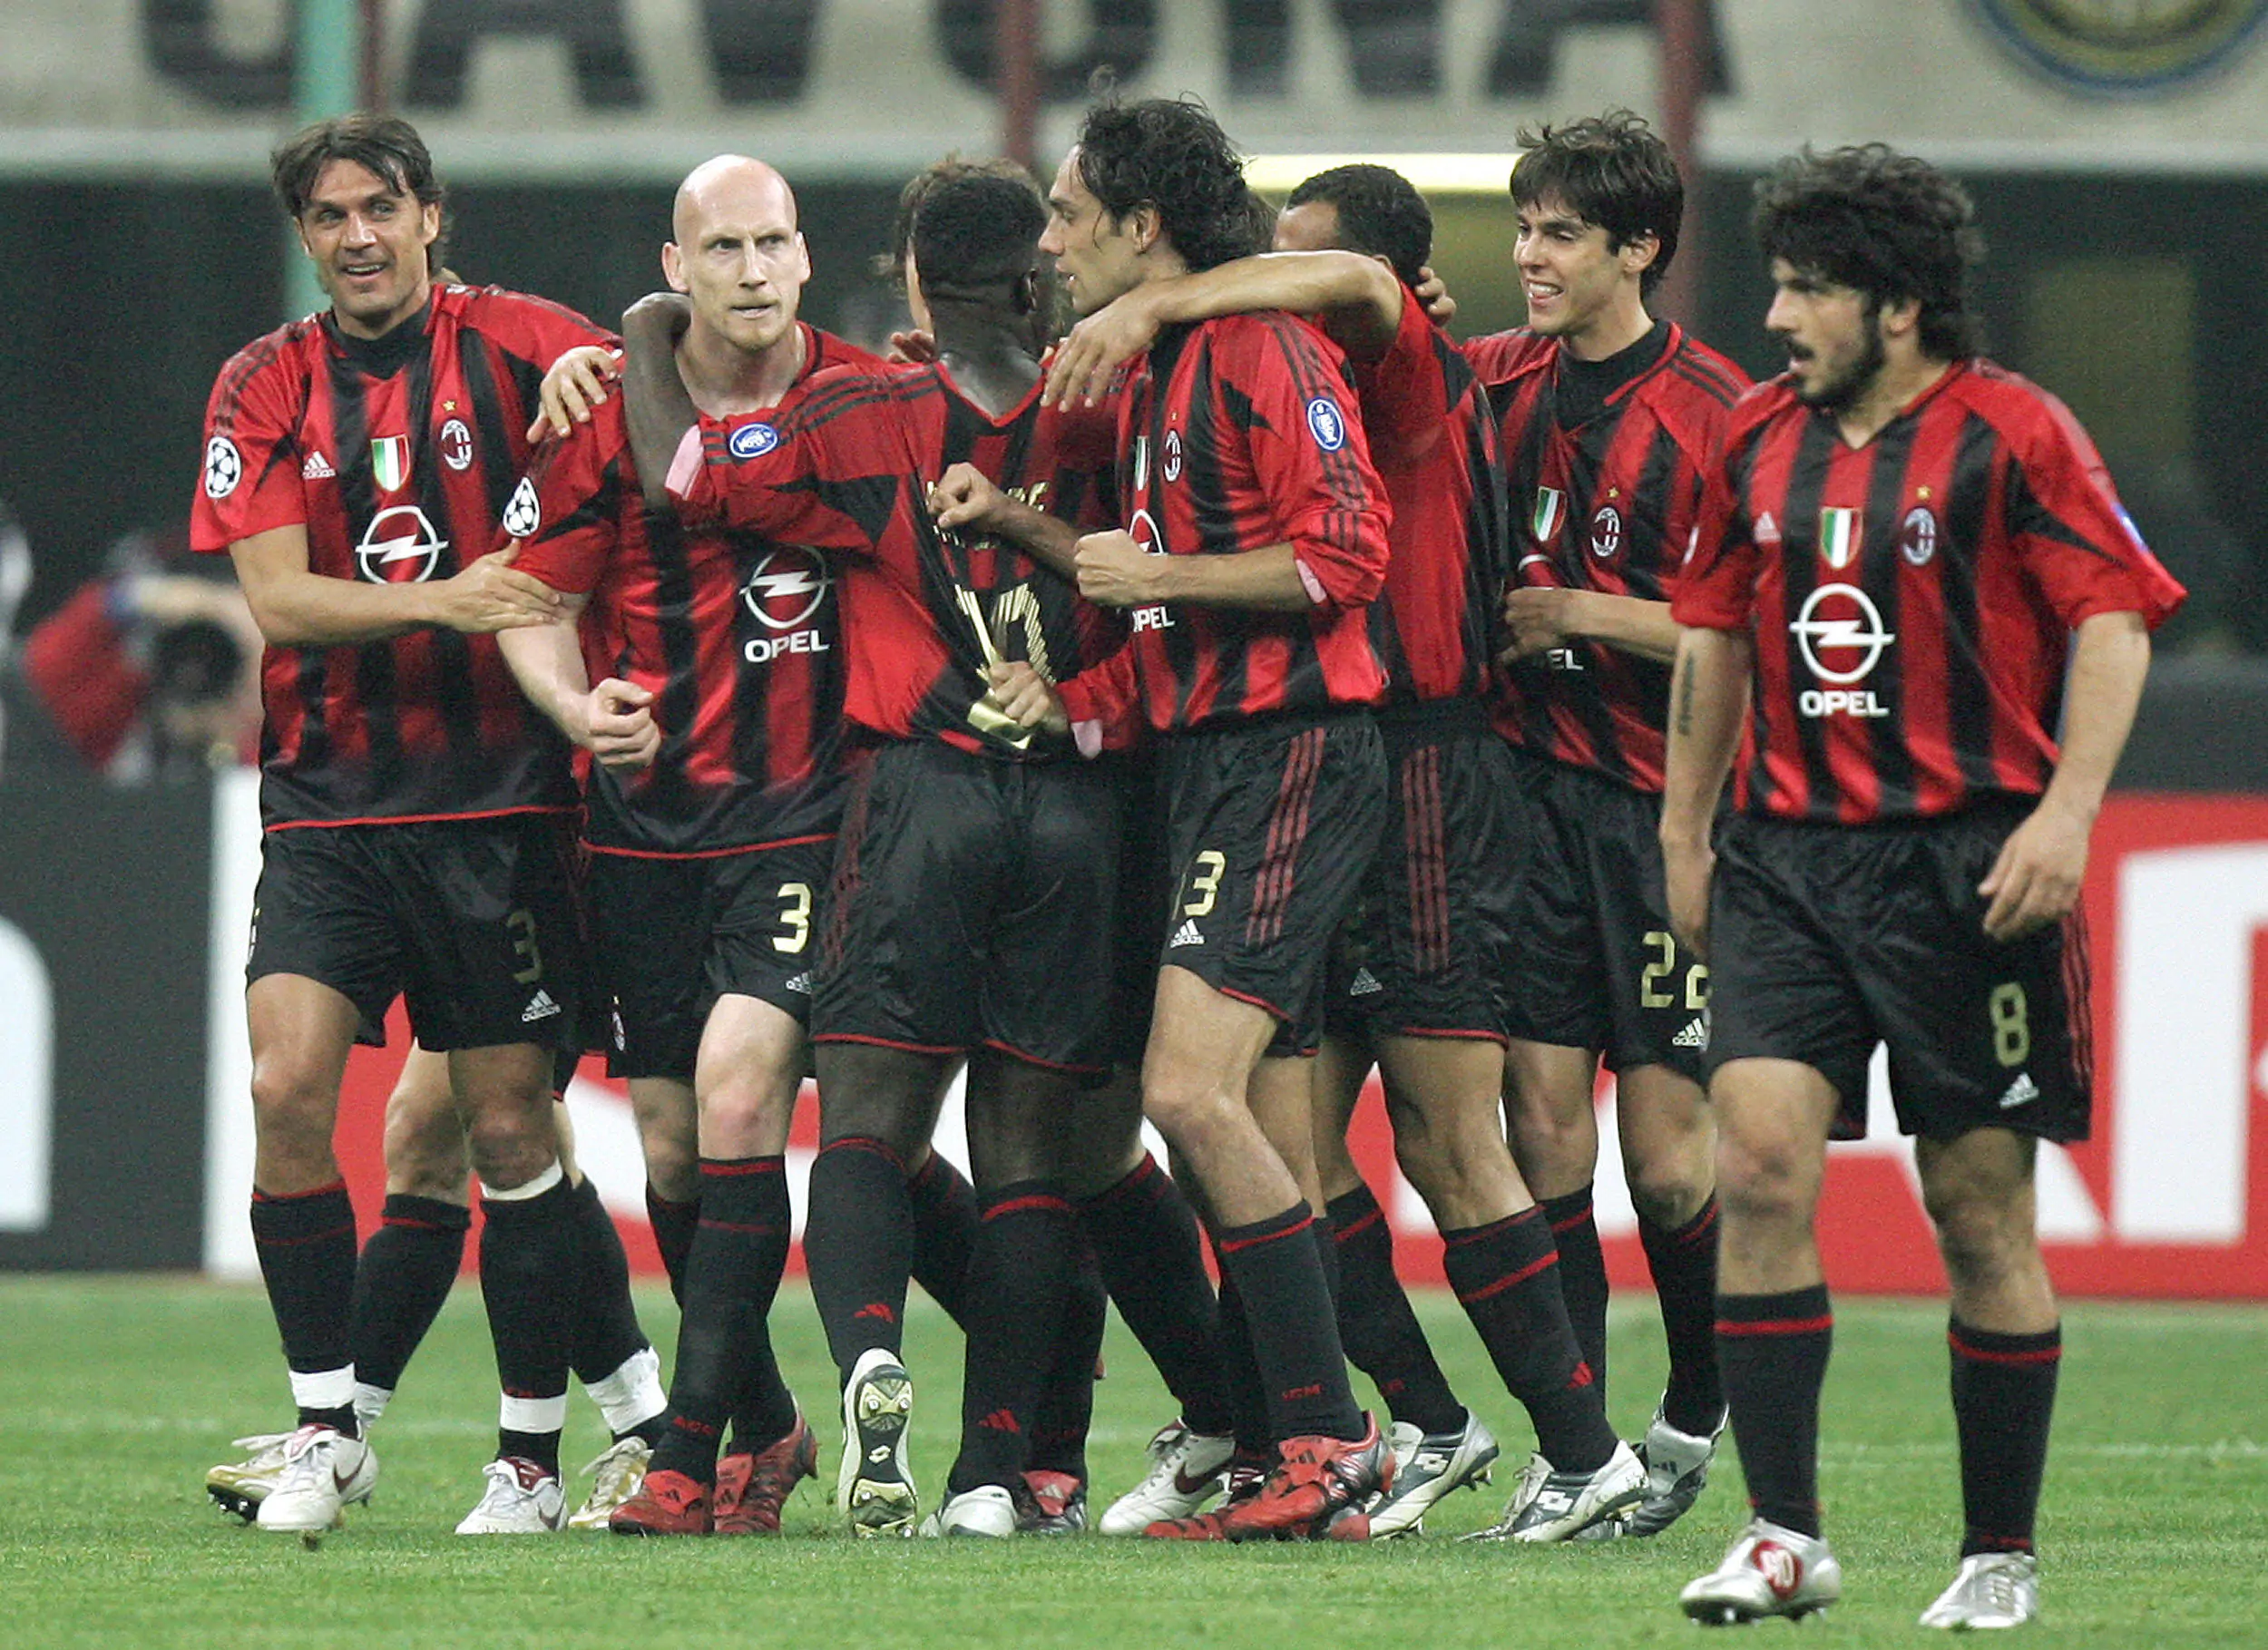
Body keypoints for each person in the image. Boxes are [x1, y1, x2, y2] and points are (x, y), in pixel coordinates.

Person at [1032, 160, 1643, 1542]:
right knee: (1273, 1131)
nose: (1282, 278)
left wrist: (1180, 298)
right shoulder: (1249, 368)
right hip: (1318, 751)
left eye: (1297, 260)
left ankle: (1580, 1447)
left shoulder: (1377, 350)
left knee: (1442, 1130)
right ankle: (1393, 1422)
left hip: (1417, 757)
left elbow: (1354, 296)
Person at [1659, 144, 2184, 1626]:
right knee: (1754, 1159)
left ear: (1897, 307)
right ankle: (1784, 1534)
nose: (1776, 316)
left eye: (1807, 288)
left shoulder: (2015, 434)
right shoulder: (1754, 441)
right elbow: (1709, 637)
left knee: (1975, 1212)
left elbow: (2116, 624)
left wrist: (2070, 814)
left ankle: (1998, 1551)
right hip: (1786, 857)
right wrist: (1683, 837)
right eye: (1777, 282)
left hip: (1972, 868)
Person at [620, 166, 1146, 1538]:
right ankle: (997, 1471)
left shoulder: (862, 412)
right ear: (1043, 277)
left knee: (866, 1124)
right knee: (1028, 1149)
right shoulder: (1120, 407)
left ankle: (866, 1361)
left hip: (917, 794)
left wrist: (636, 327)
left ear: (913, 283)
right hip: (1081, 791)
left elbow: (683, 473)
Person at [970, 94, 1398, 1541]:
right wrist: (1079, 693)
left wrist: (1147, 579)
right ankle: (1307, 1438)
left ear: (1144, 226)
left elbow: (1348, 552)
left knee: (1187, 1094)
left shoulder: (1264, 347)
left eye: (1071, 211)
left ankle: (1335, 1438)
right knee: (1234, 1110)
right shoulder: (1160, 374)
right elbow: (1155, 594)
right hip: (1219, 758)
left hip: (1298, 751)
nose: (1050, 239)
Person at [191, 112, 603, 1537]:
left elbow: (650, 380)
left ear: (432, 215)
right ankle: (324, 1431)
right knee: (286, 1089)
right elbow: (283, 600)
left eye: (380, 207)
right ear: (305, 236)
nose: (357, 236)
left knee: (505, 1125)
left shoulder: (525, 340)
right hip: (327, 808)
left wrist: (611, 368)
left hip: (500, 803)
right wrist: (455, 596)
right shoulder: (263, 380)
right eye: (329, 217)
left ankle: (538, 1459)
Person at [499, 153, 889, 1537]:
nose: (753, 270)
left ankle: (687, 1452)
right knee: (669, 1152)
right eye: (722, 247)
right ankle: (773, 1425)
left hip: (805, 820)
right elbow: (530, 597)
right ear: (678, 270)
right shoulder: (601, 413)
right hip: (643, 837)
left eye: (774, 241)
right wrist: (570, 700)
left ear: (804, 251)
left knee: (737, 1102)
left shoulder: (865, 399)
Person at [1461, 111, 1751, 1537]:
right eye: (1523, 225)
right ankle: (1578, 1447)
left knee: (1672, 1155)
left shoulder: (1718, 409)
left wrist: (1578, 612)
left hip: (1661, 814)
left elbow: (1738, 635)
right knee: (1539, 1125)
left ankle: (1700, 1395)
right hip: (1522, 806)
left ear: (1638, 246)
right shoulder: (1491, 383)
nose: (1529, 254)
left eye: (1561, 231)